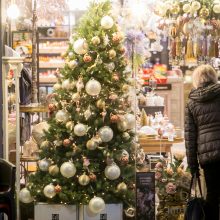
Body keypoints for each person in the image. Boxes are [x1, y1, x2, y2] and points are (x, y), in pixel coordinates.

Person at [185, 64, 220, 220]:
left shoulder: (192, 102)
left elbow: (190, 136)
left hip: (208, 156)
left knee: (212, 193)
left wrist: (193, 165)